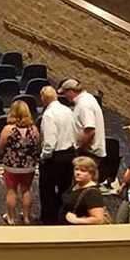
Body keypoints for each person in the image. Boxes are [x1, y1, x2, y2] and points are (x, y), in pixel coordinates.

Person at [0, 100, 40, 225]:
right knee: (27, 190)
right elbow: (37, 144)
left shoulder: (8, 129)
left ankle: (11, 218)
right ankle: (27, 217)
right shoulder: (33, 129)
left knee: (11, 190)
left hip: (12, 166)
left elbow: (0, 146)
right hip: (29, 166)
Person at [38, 85, 76, 225]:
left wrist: (43, 157)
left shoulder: (49, 115)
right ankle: (64, 217)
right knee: (65, 189)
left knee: (47, 190)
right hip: (69, 154)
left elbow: (50, 141)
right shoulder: (67, 110)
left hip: (54, 157)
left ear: (43, 98)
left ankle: (49, 220)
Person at [58, 78, 106, 165]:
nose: (65, 96)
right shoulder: (87, 98)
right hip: (87, 153)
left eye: (65, 93)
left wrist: (79, 149)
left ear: (71, 91)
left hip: (88, 154)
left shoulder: (84, 105)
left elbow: (90, 131)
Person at [62, 156, 108, 225]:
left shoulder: (92, 193)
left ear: (92, 174)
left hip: (80, 232)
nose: (78, 173)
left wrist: (76, 220)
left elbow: (98, 219)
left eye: (83, 171)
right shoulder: (76, 185)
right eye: (76, 169)